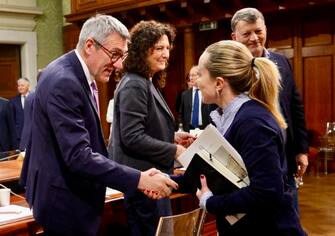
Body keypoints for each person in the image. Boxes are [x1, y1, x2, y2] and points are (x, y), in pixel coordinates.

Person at [21, 15, 178, 236]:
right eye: (114, 54)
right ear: (89, 45)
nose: (117, 64)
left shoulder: (69, 70)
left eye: (120, 55)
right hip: (64, 200)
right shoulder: (65, 80)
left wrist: (137, 175)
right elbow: (78, 155)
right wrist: (139, 179)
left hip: (65, 193)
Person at [195, 40, 306, 235]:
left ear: (219, 83)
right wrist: (168, 180)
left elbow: (266, 192)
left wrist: (211, 203)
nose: (196, 81)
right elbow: (218, 172)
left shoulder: (252, 122)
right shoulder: (231, 116)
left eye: (200, 74)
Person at [110, 20, 194, 236]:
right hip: (144, 182)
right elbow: (131, 137)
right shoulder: (134, 83)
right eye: (159, 48)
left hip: (152, 180)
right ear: (141, 50)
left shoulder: (146, 80)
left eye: (167, 48)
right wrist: (174, 150)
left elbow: (144, 128)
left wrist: (173, 137)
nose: (166, 53)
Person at [230, 8, 309, 212]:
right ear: (234, 37)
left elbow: (295, 106)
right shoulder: (230, 70)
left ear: (266, 29)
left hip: (285, 157)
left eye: (258, 31)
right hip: (250, 161)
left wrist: (301, 149)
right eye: (246, 33)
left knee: (289, 216)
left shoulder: (282, 62)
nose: (254, 38)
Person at [179, 65, 214, 132]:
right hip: (189, 129)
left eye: (193, 75)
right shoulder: (185, 95)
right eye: (190, 75)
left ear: (200, 76)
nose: (190, 78)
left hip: (205, 129)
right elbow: (181, 113)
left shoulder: (208, 92)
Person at [10, 77, 30, 147]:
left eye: (22, 85)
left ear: (28, 86)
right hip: (19, 137)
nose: (20, 87)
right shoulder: (13, 101)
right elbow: (12, 120)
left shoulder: (35, 98)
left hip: (32, 135)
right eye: (18, 85)